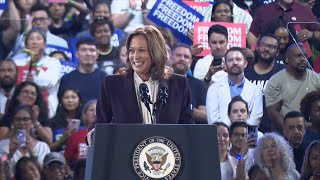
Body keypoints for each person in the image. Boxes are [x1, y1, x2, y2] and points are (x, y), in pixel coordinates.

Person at [96, 25, 194, 125]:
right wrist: (92, 133)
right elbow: (99, 124)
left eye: (141, 50)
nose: (135, 56)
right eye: (131, 51)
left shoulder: (179, 84)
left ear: (157, 52)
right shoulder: (112, 84)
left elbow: (187, 127)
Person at [265, 44, 320, 133]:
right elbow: (273, 112)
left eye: (304, 56)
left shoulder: (316, 78)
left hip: (312, 131)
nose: (303, 59)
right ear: (287, 59)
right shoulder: (275, 81)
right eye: (298, 56)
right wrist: (290, 132)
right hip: (285, 131)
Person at [206, 47, 263, 126]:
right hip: (221, 136)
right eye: (230, 60)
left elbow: (256, 118)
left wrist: (240, 133)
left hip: (247, 136)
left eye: (238, 59)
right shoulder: (214, 88)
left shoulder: (256, 90)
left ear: (245, 63)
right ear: (225, 65)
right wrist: (228, 133)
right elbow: (213, 118)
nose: (235, 63)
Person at [13, 28, 62, 118]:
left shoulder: (53, 62)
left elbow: (51, 81)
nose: (34, 42)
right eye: (31, 39)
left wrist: (34, 79)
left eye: (38, 39)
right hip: (19, 109)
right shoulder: (17, 61)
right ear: (26, 44)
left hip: (46, 109)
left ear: (44, 44)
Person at [245, 34, 286, 133]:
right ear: (257, 47)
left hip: (277, 128)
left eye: (272, 47)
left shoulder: (283, 72)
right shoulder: (245, 73)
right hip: (250, 128)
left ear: (277, 52)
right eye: (263, 45)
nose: (267, 49)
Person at [0, 105, 51, 175]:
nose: (21, 123)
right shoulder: (3, 144)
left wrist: (32, 153)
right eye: (18, 119)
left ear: (32, 123)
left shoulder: (42, 147)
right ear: (13, 123)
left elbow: (43, 170)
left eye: (25, 119)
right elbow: (2, 160)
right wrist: (10, 154)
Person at [247, 0, 320, 48]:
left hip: (300, 59)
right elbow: (252, 33)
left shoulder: (304, 10)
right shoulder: (264, 10)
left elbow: (318, 32)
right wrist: (256, 50)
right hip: (270, 60)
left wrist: (311, 34)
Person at [0, 81, 52, 146]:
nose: (29, 95)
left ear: (36, 98)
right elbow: (2, 140)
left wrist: (35, 121)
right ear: (17, 95)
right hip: (12, 151)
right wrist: (18, 123)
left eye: (33, 93)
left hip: (37, 152)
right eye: (25, 92)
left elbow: (49, 142)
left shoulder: (42, 115)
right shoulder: (9, 115)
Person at [59, 37, 105, 105]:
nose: (88, 54)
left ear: (97, 55)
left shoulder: (105, 78)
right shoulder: (67, 79)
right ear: (77, 54)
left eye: (92, 50)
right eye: (84, 50)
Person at [170, 44, 207, 124]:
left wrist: (185, 108)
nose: (182, 59)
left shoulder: (199, 85)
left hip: (190, 131)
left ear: (190, 63)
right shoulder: (161, 82)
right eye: (178, 55)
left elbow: (205, 116)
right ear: (170, 58)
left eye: (186, 57)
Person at [65, 100, 96, 168]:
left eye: (98, 110)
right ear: (85, 114)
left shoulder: (106, 136)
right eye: (91, 110)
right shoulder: (75, 136)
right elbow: (66, 160)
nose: (95, 113)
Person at [50, 87, 83, 152]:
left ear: (79, 100)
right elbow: (49, 148)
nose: (70, 100)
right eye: (66, 97)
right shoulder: (52, 122)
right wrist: (63, 138)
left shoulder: (85, 121)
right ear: (61, 101)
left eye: (73, 97)